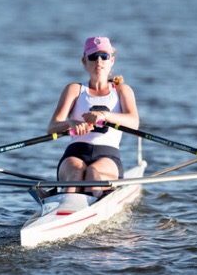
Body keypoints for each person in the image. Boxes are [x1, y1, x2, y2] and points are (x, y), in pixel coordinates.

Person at [47, 36, 139, 198]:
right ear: (84, 61)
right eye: (93, 56)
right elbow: (52, 127)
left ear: (112, 60)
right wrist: (71, 123)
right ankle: (68, 207)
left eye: (104, 56)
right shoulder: (74, 89)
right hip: (74, 154)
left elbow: (134, 123)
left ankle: (89, 204)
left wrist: (105, 115)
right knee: (76, 172)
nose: (99, 61)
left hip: (108, 156)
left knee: (92, 173)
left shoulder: (122, 91)